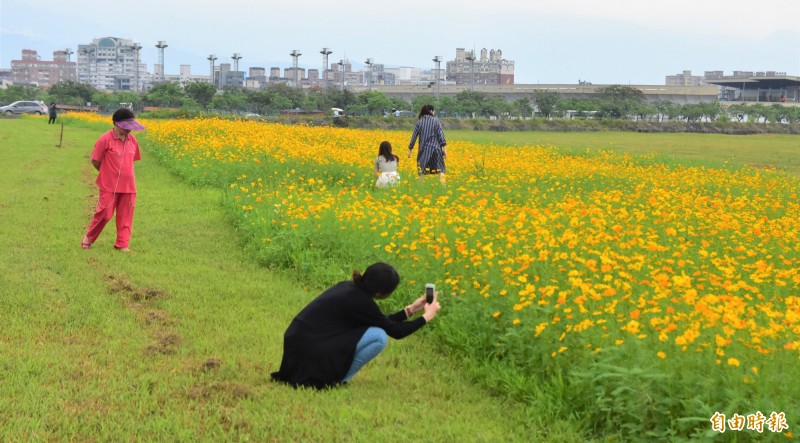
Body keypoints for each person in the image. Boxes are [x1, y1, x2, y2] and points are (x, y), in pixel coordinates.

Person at [271, 262, 441, 389]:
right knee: (379, 337)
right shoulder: (361, 301)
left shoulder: (349, 288)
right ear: (382, 292)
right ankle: (338, 379)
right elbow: (394, 331)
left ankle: (333, 375)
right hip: (309, 349)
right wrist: (427, 316)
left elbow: (381, 321)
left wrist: (410, 310)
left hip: (300, 343)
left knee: (378, 330)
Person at [81, 108, 145, 252]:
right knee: (104, 214)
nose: (129, 130)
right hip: (109, 185)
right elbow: (95, 160)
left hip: (129, 186)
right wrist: (106, 173)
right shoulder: (105, 139)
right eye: (126, 127)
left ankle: (122, 244)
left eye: (131, 127)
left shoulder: (133, 140)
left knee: (126, 216)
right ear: (116, 124)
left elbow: (131, 161)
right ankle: (88, 238)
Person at [407, 104, 447, 183]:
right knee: (441, 170)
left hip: (424, 150)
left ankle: (420, 188)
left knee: (422, 170)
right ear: (431, 111)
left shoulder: (419, 122)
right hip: (436, 149)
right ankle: (444, 188)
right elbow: (441, 136)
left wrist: (410, 150)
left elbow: (414, 136)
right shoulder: (436, 121)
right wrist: (445, 150)